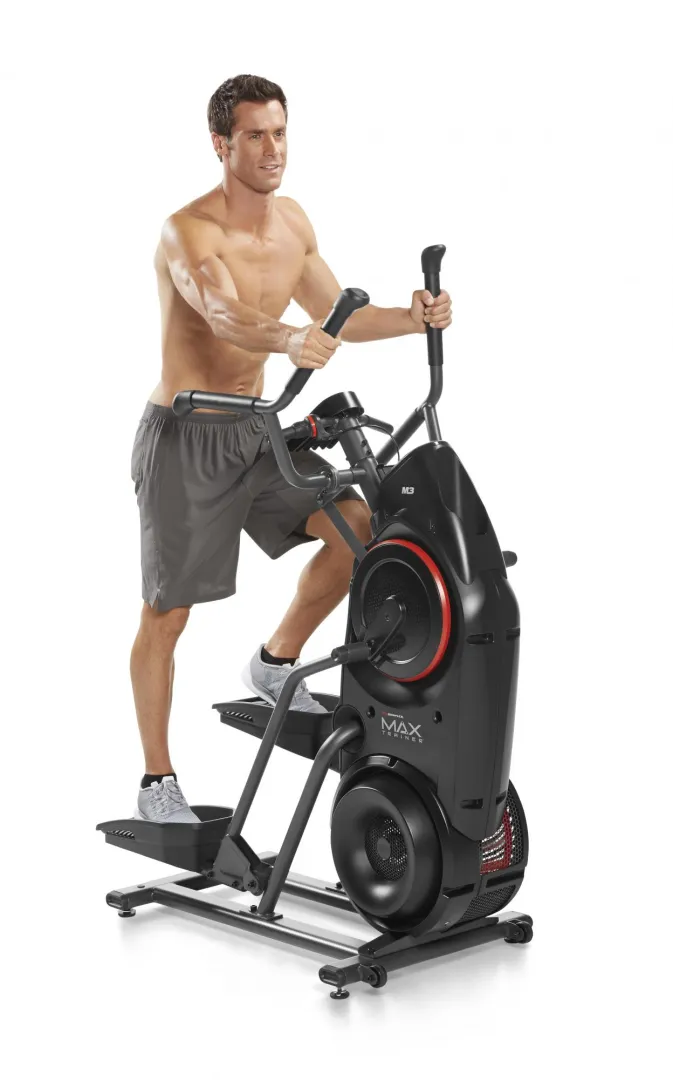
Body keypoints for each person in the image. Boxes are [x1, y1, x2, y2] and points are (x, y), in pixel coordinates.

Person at [130, 74, 452, 823]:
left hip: (256, 426)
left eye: (279, 133)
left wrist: (412, 317)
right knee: (168, 615)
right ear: (221, 144)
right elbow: (222, 313)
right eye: (254, 135)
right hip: (186, 435)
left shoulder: (293, 223)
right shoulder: (188, 231)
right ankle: (156, 784)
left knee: (357, 529)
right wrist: (286, 338)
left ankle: (274, 662)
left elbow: (338, 315)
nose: (272, 149)